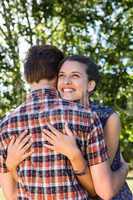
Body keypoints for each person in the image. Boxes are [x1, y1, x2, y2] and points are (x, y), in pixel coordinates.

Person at [0, 46, 128, 200]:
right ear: (56, 77)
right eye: (62, 75)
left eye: (74, 75)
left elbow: (12, 195)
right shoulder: (86, 117)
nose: (66, 81)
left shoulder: (5, 125)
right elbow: (100, 189)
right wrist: (11, 164)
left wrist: (75, 155)